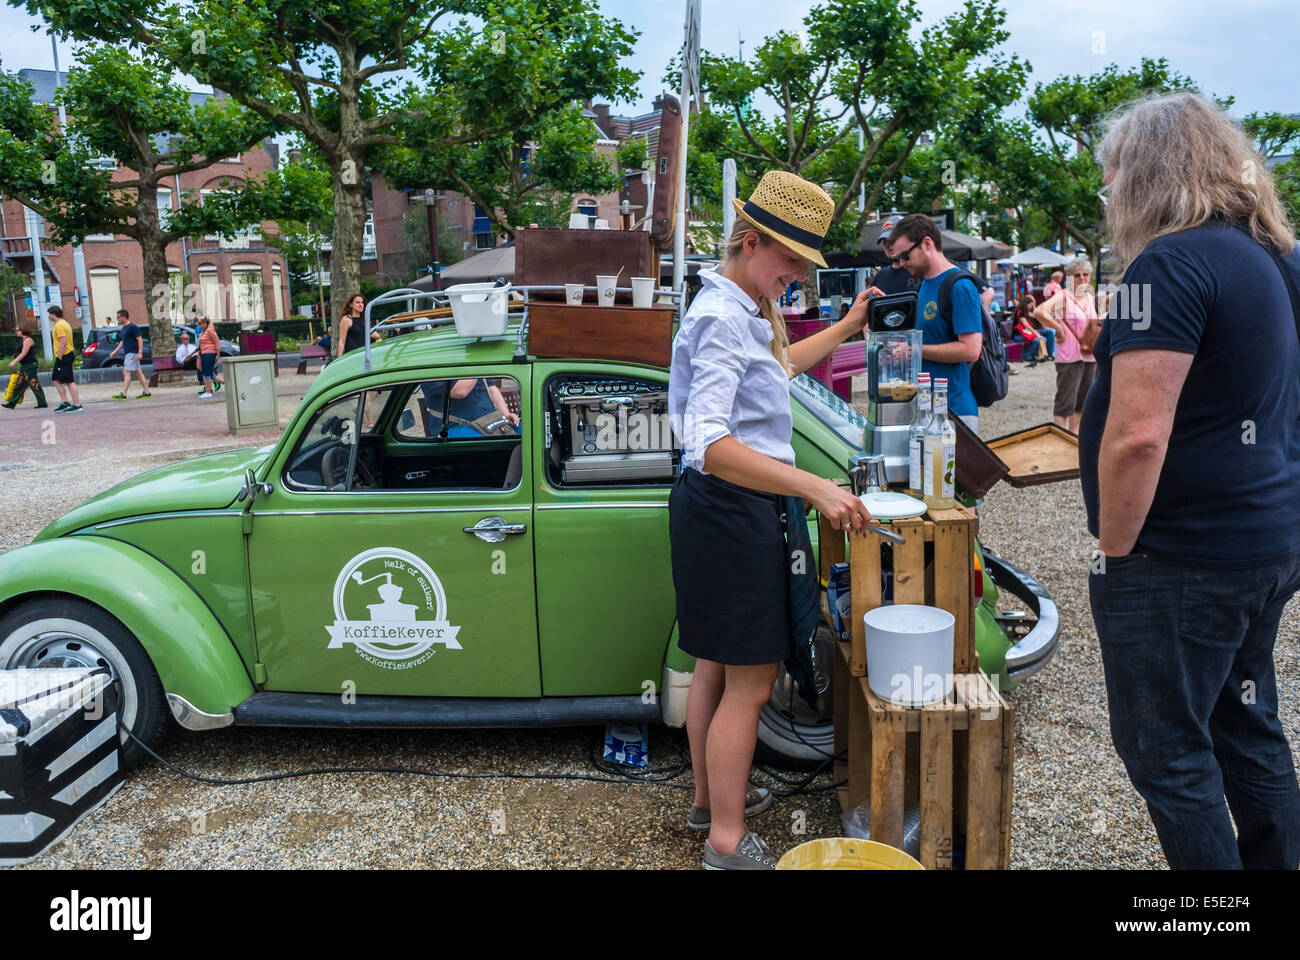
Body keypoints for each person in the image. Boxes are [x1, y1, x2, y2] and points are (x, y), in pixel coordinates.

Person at [1080, 91, 1300, 870]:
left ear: (1142, 173)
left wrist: (1113, 550)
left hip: (1182, 556)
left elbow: (1138, 436)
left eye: (1112, 176)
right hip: (1264, 540)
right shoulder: (1273, 255)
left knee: (1168, 752)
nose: (1109, 195)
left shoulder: (1168, 261)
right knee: (1244, 723)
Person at [668, 171, 875, 870]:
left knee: (713, 670)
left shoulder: (732, 304)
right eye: (791, 263)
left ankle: (707, 801)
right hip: (734, 509)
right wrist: (812, 485)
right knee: (749, 686)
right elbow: (710, 442)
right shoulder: (726, 316)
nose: (796, 278)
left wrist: (845, 331)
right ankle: (726, 844)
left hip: (716, 509)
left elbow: (777, 370)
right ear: (752, 242)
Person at [886, 214, 983, 431]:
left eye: (905, 255)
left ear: (927, 243)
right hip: (927, 408)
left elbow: (971, 350)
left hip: (953, 411)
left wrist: (913, 349)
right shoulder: (925, 286)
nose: (901, 263)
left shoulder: (960, 286)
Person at [1033, 256, 1097, 433]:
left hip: (1089, 354)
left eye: (1086, 274)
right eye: (1078, 275)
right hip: (1069, 356)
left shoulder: (1089, 297)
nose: (1083, 278)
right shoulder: (1064, 296)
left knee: (1082, 401)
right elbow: (1039, 312)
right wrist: (1058, 329)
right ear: (1069, 277)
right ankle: (1060, 436)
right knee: (1065, 402)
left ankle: (1074, 435)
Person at [2, 319, 47, 410]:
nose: (16, 332)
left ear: (23, 330)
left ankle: (42, 403)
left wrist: (14, 362)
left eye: (17, 330)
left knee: (34, 383)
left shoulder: (28, 340)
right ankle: (12, 403)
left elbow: (23, 353)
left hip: (30, 365)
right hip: (24, 365)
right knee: (20, 383)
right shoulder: (23, 340)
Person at [108, 308, 150, 399]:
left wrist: (140, 352)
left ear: (124, 317)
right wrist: (115, 351)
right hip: (129, 353)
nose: (117, 319)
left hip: (132, 353)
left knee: (126, 372)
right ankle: (147, 392)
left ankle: (123, 394)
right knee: (138, 372)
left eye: (118, 317)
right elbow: (123, 341)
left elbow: (139, 339)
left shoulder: (132, 327)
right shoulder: (124, 328)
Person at [48, 305, 82, 413]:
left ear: (54, 314)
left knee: (69, 381)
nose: (49, 316)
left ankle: (77, 404)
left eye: (49, 314)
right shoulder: (65, 323)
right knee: (55, 378)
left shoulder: (59, 326)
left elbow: (63, 342)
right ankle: (65, 402)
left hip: (64, 355)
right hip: (66, 354)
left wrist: (59, 356)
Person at [196, 316, 222, 399]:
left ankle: (208, 392)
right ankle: (229, 383)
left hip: (209, 353)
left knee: (207, 373)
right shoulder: (203, 331)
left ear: (205, 323)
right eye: (198, 323)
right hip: (204, 354)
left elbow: (217, 342)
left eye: (200, 323)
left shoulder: (210, 330)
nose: (199, 325)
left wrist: (218, 354)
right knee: (209, 373)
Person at [337, 292, 367, 357]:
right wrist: (339, 360)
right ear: (351, 304)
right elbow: (341, 341)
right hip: (353, 356)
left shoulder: (364, 320)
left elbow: (373, 334)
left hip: (365, 355)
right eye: (357, 302)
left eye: (362, 302)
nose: (360, 304)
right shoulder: (347, 319)